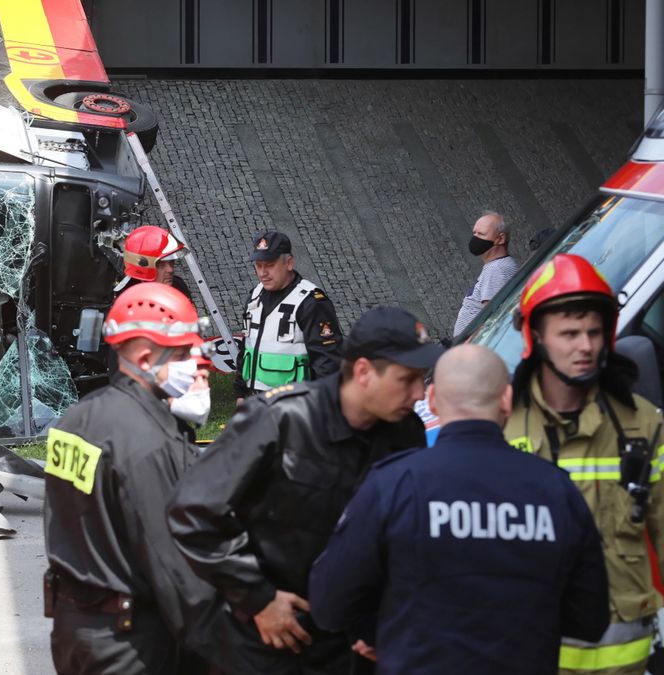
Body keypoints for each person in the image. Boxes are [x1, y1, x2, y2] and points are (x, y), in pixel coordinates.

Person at [167, 306, 440, 674]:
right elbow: (192, 513)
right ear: (362, 372)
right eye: (407, 379)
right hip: (265, 639)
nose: (419, 393)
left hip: (351, 646)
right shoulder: (279, 419)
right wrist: (258, 598)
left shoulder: (405, 433)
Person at [308, 344, 610, 674]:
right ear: (507, 400)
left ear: (433, 399)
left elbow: (329, 605)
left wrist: (385, 629)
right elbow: (590, 620)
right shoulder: (556, 490)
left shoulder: (394, 483)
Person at [44, 282, 268, 674]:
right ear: (146, 357)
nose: (193, 363)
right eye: (183, 353)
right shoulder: (148, 442)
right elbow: (173, 566)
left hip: (74, 629)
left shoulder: (76, 420)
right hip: (132, 644)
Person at [504, 253, 664, 675]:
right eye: (570, 333)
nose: (586, 346)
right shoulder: (500, 425)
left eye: (594, 332)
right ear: (536, 336)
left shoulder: (642, 423)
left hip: (624, 660)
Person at [235, 230, 342, 401]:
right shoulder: (254, 296)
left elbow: (328, 363)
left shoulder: (311, 302)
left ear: (289, 263)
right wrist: (241, 394)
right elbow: (246, 349)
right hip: (255, 404)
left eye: (269, 265)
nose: (262, 273)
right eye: (258, 265)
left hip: (296, 408)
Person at [453, 211, 519, 336]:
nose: (475, 238)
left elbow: (491, 319)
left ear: (500, 239)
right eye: (474, 233)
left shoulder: (496, 270)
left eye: (481, 234)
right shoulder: (496, 266)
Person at [117, 224, 194, 303]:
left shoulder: (178, 286)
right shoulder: (128, 303)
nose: (170, 269)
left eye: (171, 261)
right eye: (161, 264)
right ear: (142, 268)